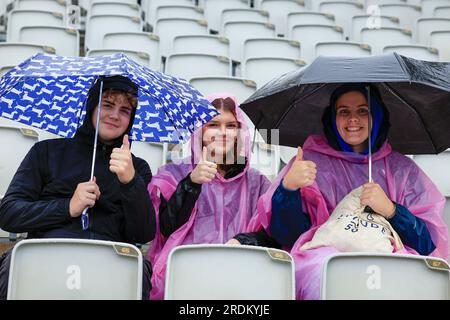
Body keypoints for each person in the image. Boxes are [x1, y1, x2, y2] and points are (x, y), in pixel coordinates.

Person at [232, 83, 449, 299]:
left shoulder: (402, 170)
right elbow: (287, 236)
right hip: (320, 262)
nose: (353, 119)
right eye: (344, 111)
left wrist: (392, 211)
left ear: (378, 117)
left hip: (387, 259)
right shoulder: (310, 161)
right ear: (332, 119)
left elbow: (426, 244)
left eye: (363, 111)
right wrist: (289, 189)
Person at [0, 76, 156, 300]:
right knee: (14, 260)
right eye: (108, 105)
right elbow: (9, 214)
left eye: (125, 110)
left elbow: (143, 233)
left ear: (131, 120)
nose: (114, 115)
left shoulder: (136, 167)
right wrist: (68, 207)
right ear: (92, 107)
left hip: (110, 264)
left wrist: (130, 182)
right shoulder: (46, 152)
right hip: (46, 256)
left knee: (140, 269)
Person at [147, 92, 274, 299]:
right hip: (187, 274)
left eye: (231, 126)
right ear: (200, 131)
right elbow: (165, 228)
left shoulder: (257, 182)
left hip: (243, 273)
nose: (223, 132)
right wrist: (191, 183)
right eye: (213, 124)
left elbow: (272, 234)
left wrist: (243, 241)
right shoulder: (174, 174)